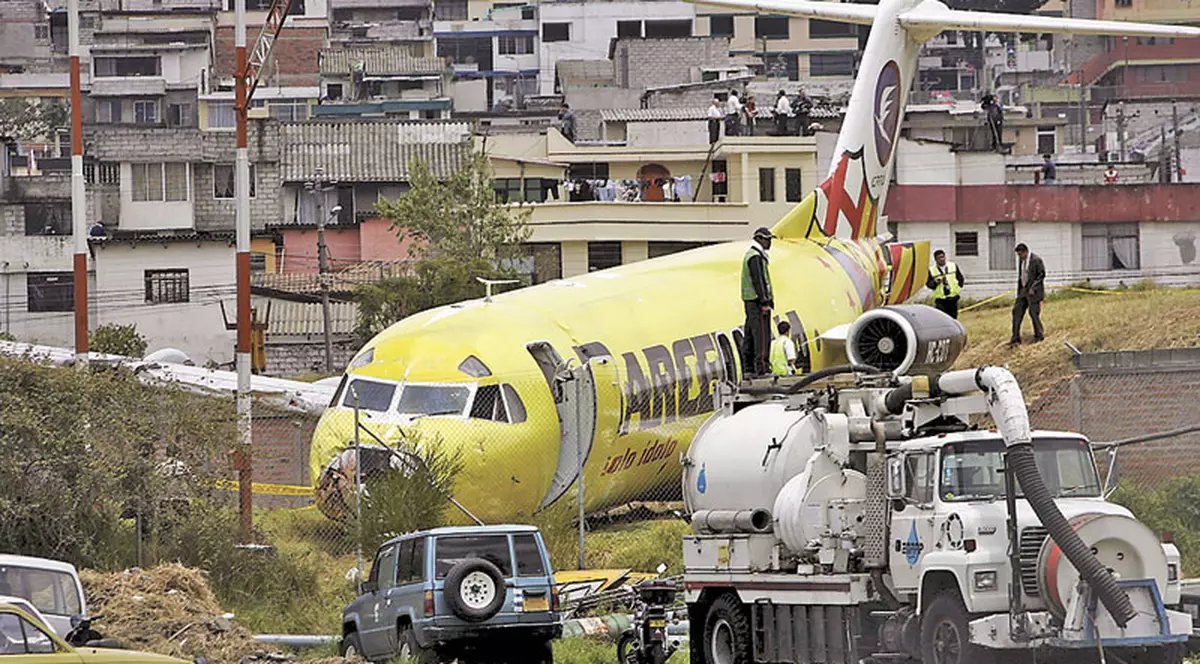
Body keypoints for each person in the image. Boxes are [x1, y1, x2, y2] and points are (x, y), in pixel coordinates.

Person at [740, 226, 774, 378]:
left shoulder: (751, 254)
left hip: (750, 301)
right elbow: (759, 280)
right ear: (759, 239)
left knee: (750, 334)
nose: (769, 243)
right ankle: (762, 368)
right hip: (757, 301)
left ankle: (749, 368)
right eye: (767, 240)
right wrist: (765, 301)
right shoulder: (756, 256)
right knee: (761, 335)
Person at [1010, 243, 1046, 346]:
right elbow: (1021, 275)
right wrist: (1020, 290)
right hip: (1023, 291)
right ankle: (1015, 339)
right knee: (1016, 312)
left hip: (1033, 292)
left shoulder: (1036, 260)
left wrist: (1033, 287)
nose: (1019, 257)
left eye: (1020, 254)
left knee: (1033, 313)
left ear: (1026, 252)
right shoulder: (1021, 260)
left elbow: (1042, 274)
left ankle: (1039, 336)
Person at [926, 249, 964, 319]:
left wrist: (958, 287)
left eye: (943, 257)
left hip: (953, 298)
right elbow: (928, 284)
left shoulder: (953, 265)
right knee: (943, 319)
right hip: (941, 300)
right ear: (935, 260)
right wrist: (935, 283)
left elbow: (960, 278)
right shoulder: (931, 270)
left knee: (953, 318)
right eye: (939, 258)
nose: (942, 259)